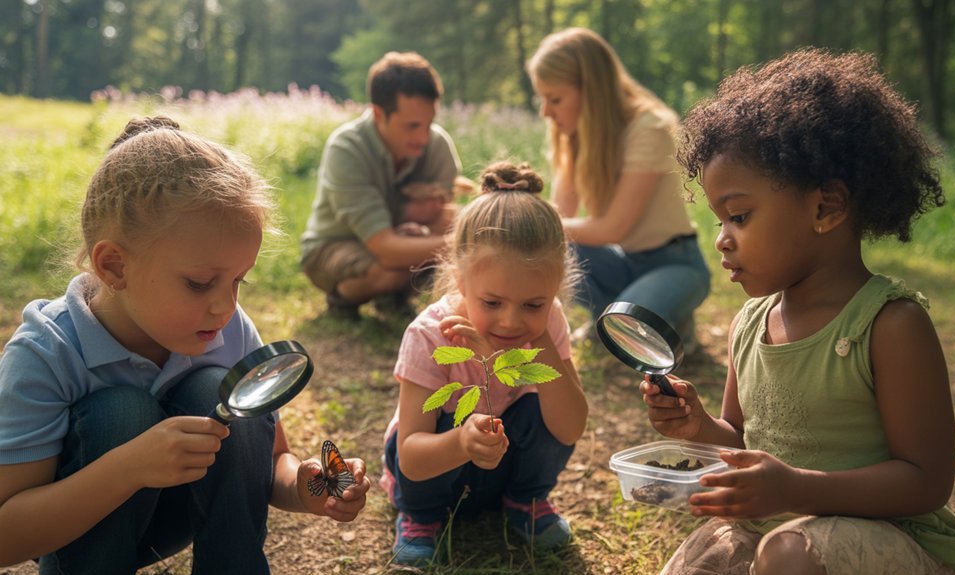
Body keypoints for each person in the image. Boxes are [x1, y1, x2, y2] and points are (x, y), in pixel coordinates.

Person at [642, 49, 955, 575]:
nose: (721, 241)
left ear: (826, 208)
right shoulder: (751, 324)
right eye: (717, 221)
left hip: (888, 538)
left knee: (788, 555)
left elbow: (925, 480)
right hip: (777, 527)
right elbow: (741, 440)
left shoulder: (889, 325)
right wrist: (698, 426)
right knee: (705, 560)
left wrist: (795, 488)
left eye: (738, 216)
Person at [0, 117, 372, 574]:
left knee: (217, 389)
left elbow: (270, 459)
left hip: (181, 515)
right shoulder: (47, 351)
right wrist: (129, 467)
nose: (224, 307)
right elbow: (7, 537)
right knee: (120, 413)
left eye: (238, 280)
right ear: (115, 266)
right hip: (77, 536)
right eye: (200, 283)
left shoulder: (230, 330)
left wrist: (305, 486)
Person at [379, 162, 588, 567]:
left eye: (534, 304)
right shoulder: (430, 336)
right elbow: (411, 456)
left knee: (541, 404)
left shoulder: (549, 324)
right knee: (442, 424)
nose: (511, 321)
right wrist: (460, 441)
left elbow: (570, 426)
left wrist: (541, 339)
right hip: (433, 473)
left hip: (501, 469)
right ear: (460, 281)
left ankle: (525, 501)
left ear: (556, 287)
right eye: (492, 303)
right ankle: (420, 519)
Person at [527, 27, 710, 351]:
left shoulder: (649, 128)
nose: (546, 112)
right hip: (623, 262)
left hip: (675, 262)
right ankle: (623, 315)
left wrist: (533, 220)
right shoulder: (574, 137)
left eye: (554, 99)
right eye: (542, 99)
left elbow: (613, 228)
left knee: (624, 329)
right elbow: (560, 219)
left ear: (591, 91)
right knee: (553, 249)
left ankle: (655, 314)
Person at [301, 51, 466, 320]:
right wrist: (465, 244)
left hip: (405, 239)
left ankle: (395, 298)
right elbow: (387, 249)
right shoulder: (347, 148)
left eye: (429, 124)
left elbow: (445, 213)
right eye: (412, 126)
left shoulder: (437, 143)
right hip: (335, 245)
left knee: (455, 217)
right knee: (392, 269)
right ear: (379, 114)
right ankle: (343, 298)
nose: (424, 137)